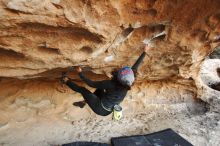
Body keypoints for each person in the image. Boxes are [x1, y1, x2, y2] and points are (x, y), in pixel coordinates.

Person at [61, 45, 152, 116]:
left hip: (101, 109)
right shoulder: (128, 83)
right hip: (109, 108)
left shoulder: (110, 84)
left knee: (83, 90)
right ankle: (84, 102)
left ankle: (65, 80)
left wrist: (80, 73)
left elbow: (91, 84)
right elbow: (135, 67)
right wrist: (145, 51)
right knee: (100, 89)